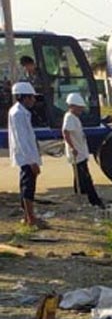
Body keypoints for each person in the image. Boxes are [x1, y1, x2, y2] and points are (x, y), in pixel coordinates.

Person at [8, 82, 45, 228]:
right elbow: (21, 139)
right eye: (32, 98)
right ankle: (30, 218)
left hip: (28, 155)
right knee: (28, 187)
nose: (34, 100)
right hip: (26, 157)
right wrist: (32, 162)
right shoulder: (18, 113)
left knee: (26, 185)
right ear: (25, 98)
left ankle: (27, 216)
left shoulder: (21, 111)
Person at [62, 93, 104, 208]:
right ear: (72, 106)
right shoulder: (69, 117)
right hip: (77, 152)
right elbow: (65, 133)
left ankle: (79, 195)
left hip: (80, 151)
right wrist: (72, 147)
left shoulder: (74, 117)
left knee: (79, 177)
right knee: (85, 177)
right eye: (79, 108)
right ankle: (94, 200)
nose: (81, 110)